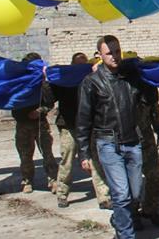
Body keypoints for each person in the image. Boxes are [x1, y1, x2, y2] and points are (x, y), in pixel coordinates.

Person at [75, 35, 156, 239]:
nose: (115, 56)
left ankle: (120, 220)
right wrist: (84, 152)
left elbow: (148, 97)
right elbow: (83, 119)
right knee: (121, 194)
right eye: (109, 53)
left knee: (135, 192)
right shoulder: (91, 83)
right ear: (99, 55)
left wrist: (142, 73)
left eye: (117, 51)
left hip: (132, 142)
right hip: (108, 143)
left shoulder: (129, 78)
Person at [45, 52, 111, 209]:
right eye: (78, 65)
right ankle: (62, 194)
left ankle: (104, 197)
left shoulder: (91, 80)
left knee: (95, 161)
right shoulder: (63, 81)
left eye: (84, 64)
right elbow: (49, 98)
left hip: (89, 125)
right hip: (68, 125)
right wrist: (47, 80)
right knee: (67, 160)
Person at [11, 52, 58, 193]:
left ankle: (53, 180)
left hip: (40, 123)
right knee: (25, 155)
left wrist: (40, 111)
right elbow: (13, 103)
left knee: (47, 154)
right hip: (23, 124)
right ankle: (27, 181)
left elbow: (50, 102)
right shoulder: (19, 83)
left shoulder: (43, 84)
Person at [137, 93, 159, 226]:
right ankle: (131, 214)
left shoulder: (146, 85)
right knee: (130, 181)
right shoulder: (115, 82)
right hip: (123, 140)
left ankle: (150, 210)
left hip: (145, 138)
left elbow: (154, 111)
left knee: (155, 175)